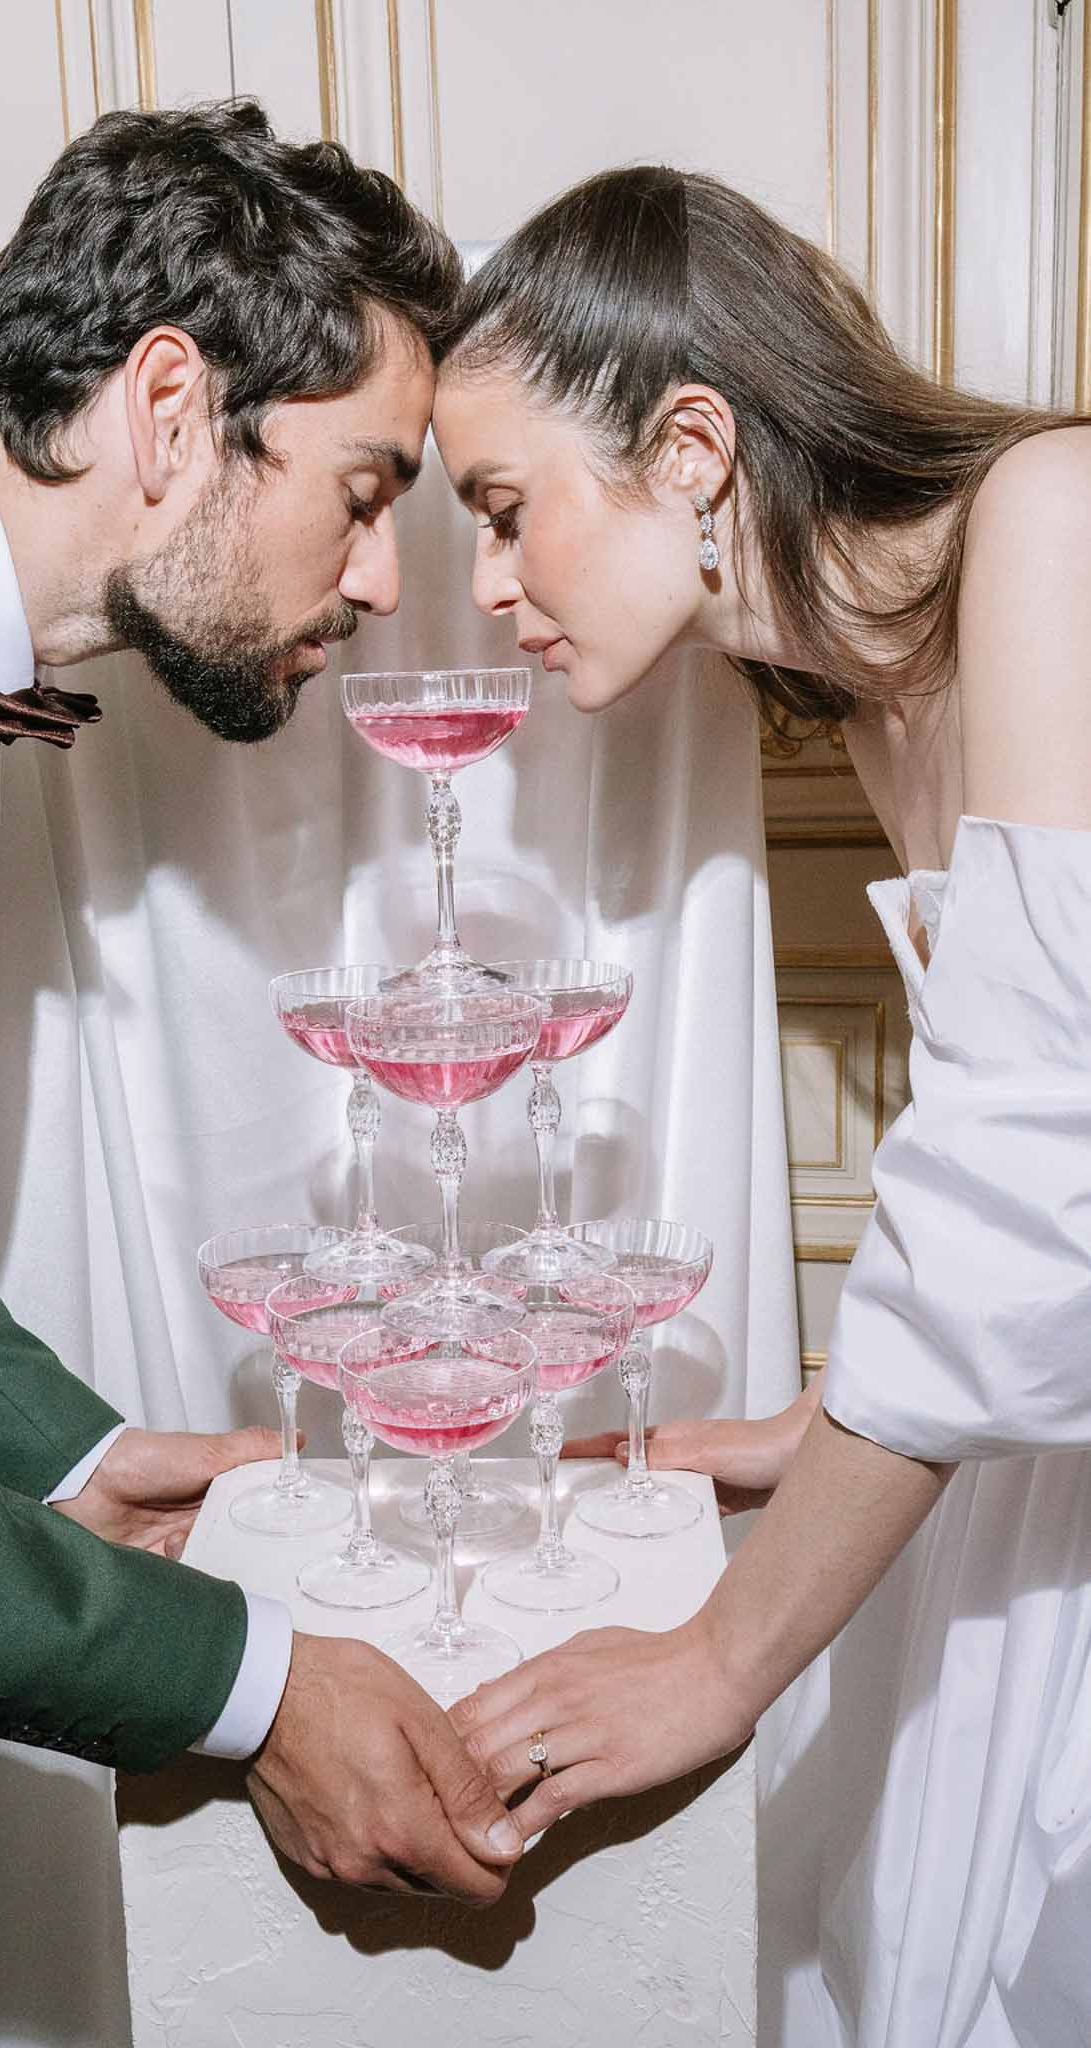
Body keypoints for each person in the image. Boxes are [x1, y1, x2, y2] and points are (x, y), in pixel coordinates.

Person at [0, 98, 523, 1905]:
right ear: (171, 412)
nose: (385, 577)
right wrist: (247, 1690)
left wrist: (76, 1455)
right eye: (366, 492)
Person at [430, 163, 1091, 2038]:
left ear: (693, 446)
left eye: (503, 509)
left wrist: (717, 1659)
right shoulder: (877, 697)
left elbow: (1039, 1169)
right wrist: (815, 1421)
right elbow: (1032, 1135)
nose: (486, 585)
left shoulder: (1052, 513)